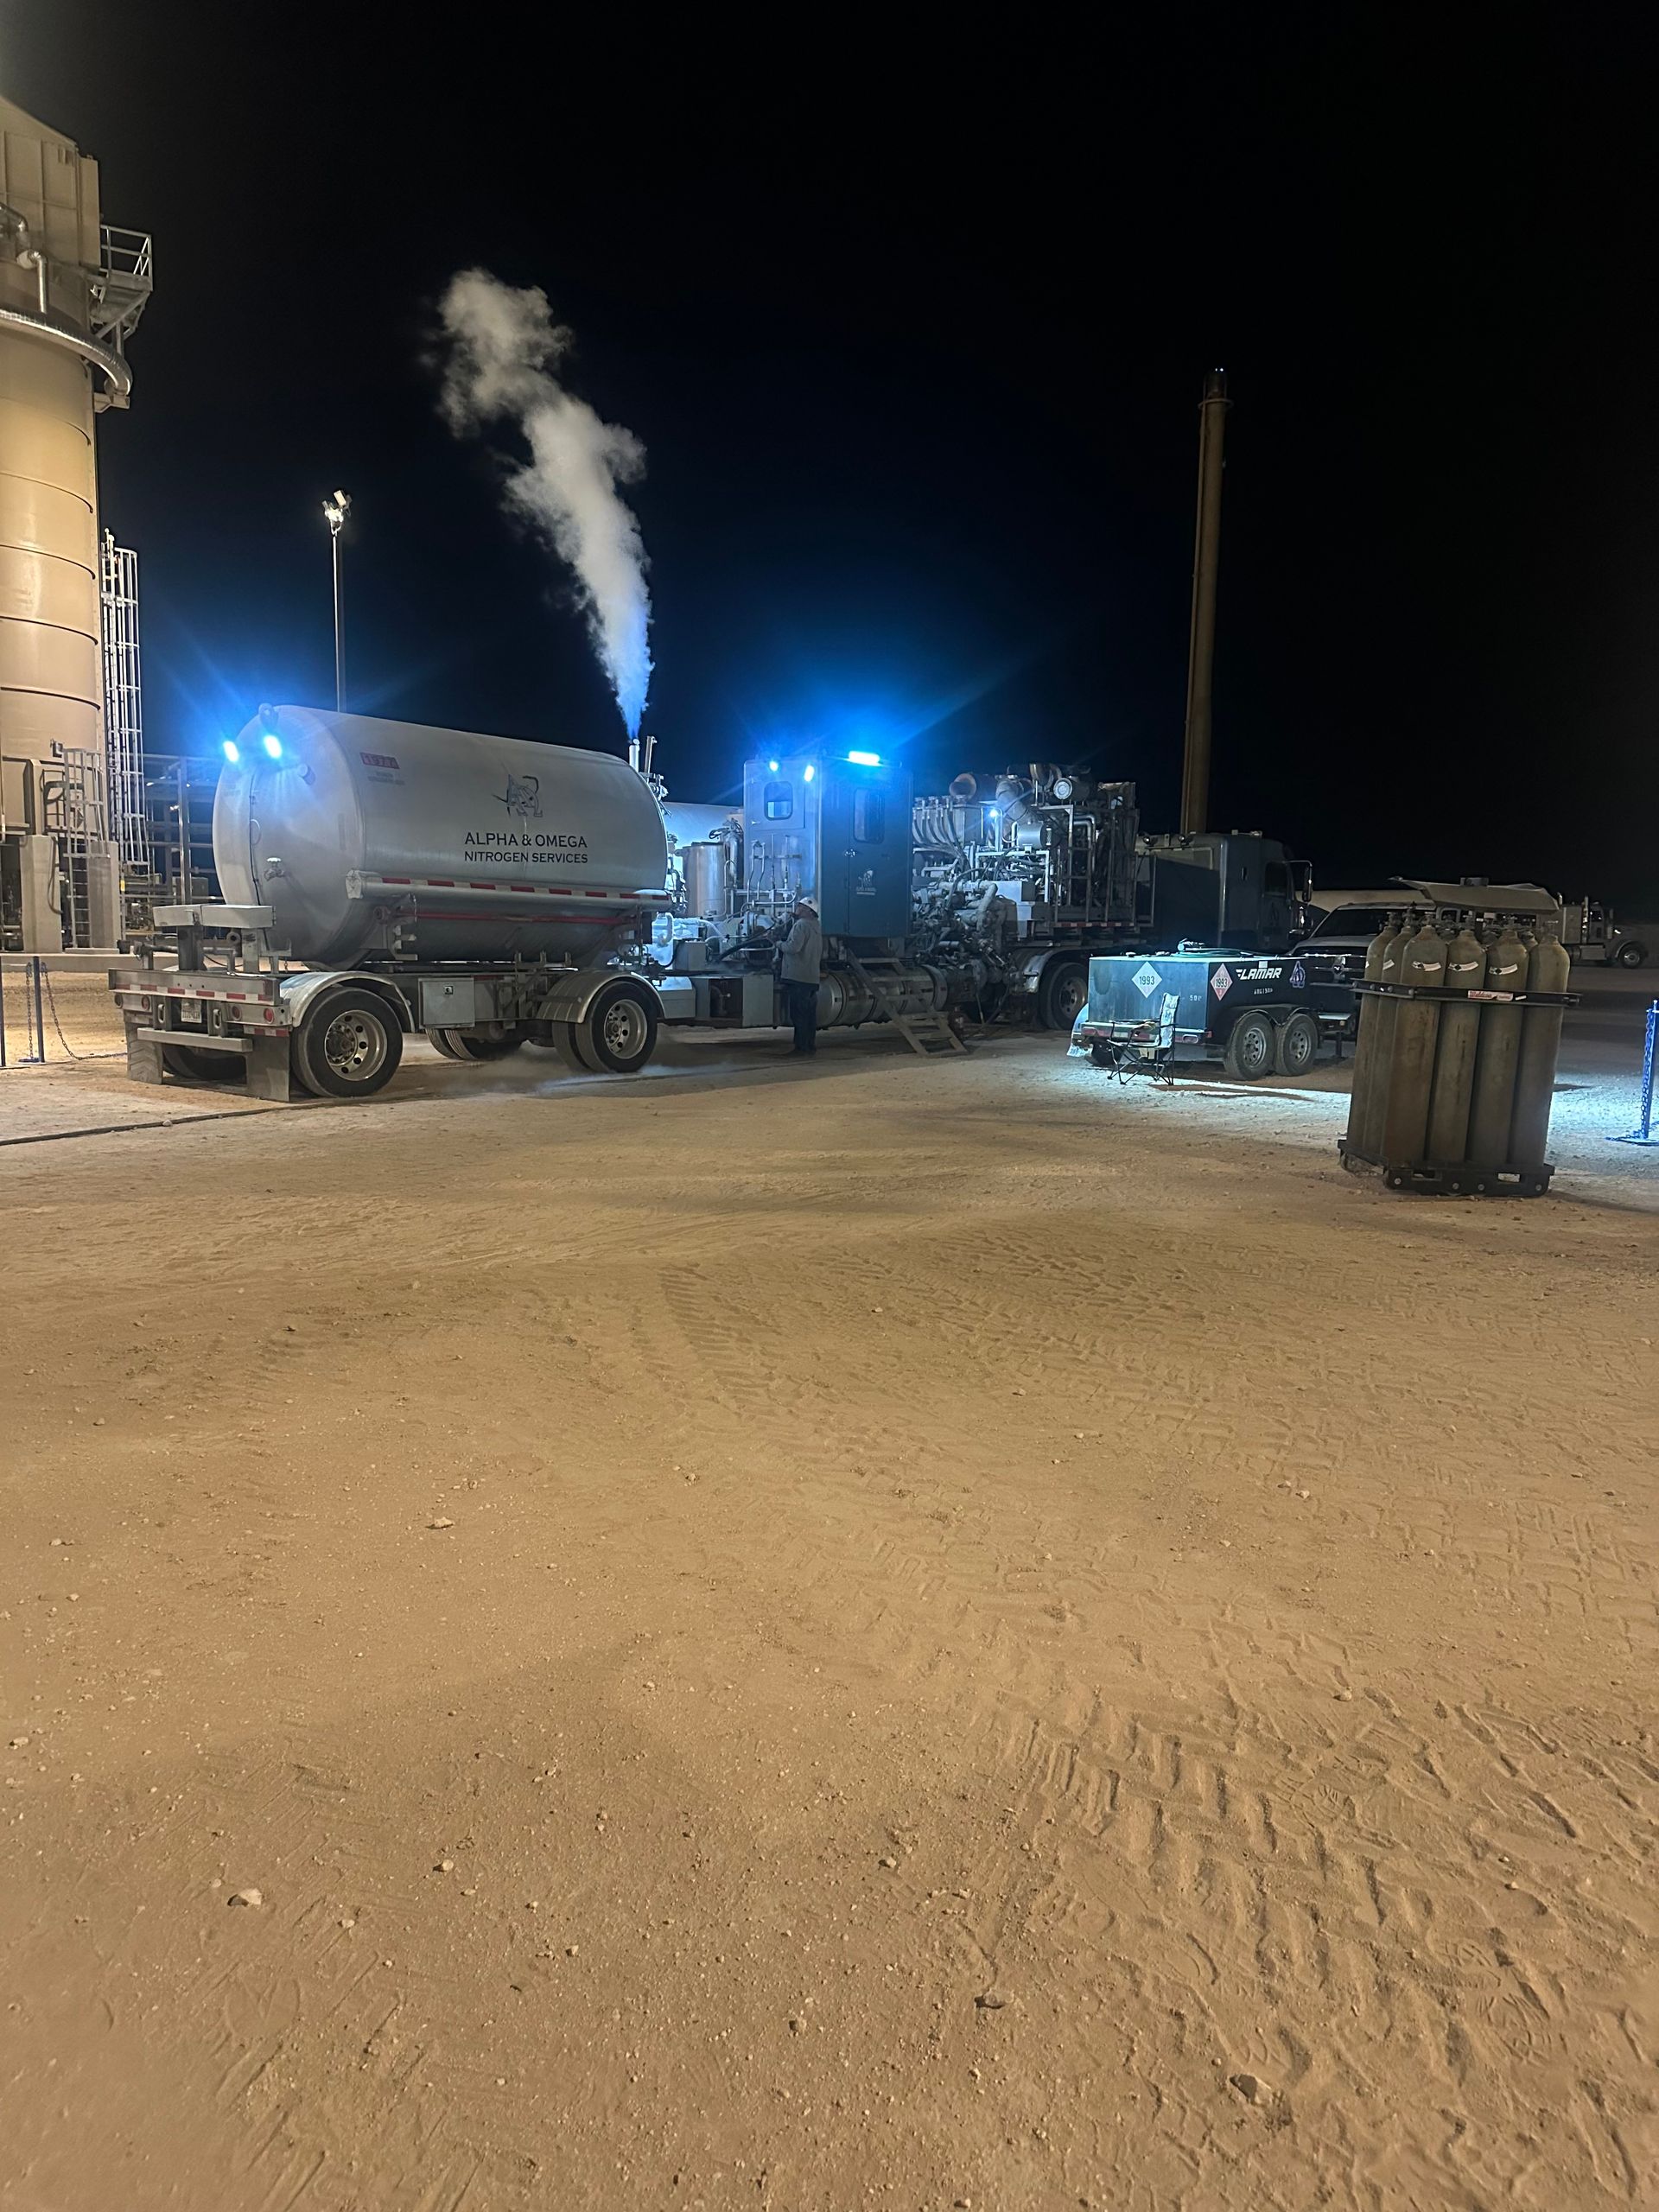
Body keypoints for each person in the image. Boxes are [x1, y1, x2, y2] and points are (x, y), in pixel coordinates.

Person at [779, 895, 823, 1056]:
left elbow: (793, 948)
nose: (798, 909)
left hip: (798, 977)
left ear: (809, 911)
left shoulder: (801, 925)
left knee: (798, 1015)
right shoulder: (816, 925)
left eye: (801, 907)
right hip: (811, 977)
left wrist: (777, 943)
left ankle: (801, 1048)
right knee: (809, 1015)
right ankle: (810, 1046)